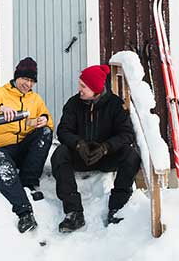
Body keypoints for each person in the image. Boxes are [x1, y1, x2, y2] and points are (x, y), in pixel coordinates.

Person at [0, 56, 54, 233]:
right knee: (0, 158)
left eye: (31, 81)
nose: (27, 84)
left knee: (46, 132)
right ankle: (24, 212)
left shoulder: (35, 99)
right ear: (16, 77)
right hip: (1, 150)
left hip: (23, 149)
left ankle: (29, 182)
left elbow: (48, 120)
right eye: (25, 79)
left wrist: (42, 120)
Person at [51, 63, 140, 232]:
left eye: (84, 86)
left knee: (131, 155)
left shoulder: (115, 105)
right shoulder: (73, 103)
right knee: (59, 154)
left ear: (95, 89)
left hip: (106, 156)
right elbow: (63, 131)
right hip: (81, 155)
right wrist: (78, 144)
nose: (80, 89)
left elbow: (126, 134)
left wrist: (106, 147)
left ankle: (117, 207)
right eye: (80, 84)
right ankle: (73, 212)